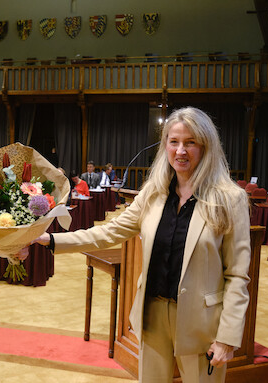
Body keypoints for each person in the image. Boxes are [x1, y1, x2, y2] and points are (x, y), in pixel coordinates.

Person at [27, 107, 251, 382]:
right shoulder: (154, 193)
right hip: (153, 315)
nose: (181, 151)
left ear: (206, 145)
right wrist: (50, 240)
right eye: (174, 141)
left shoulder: (230, 199)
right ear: (165, 146)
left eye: (190, 142)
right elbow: (108, 233)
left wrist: (228, 337)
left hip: (201, 323)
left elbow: (237, 276)